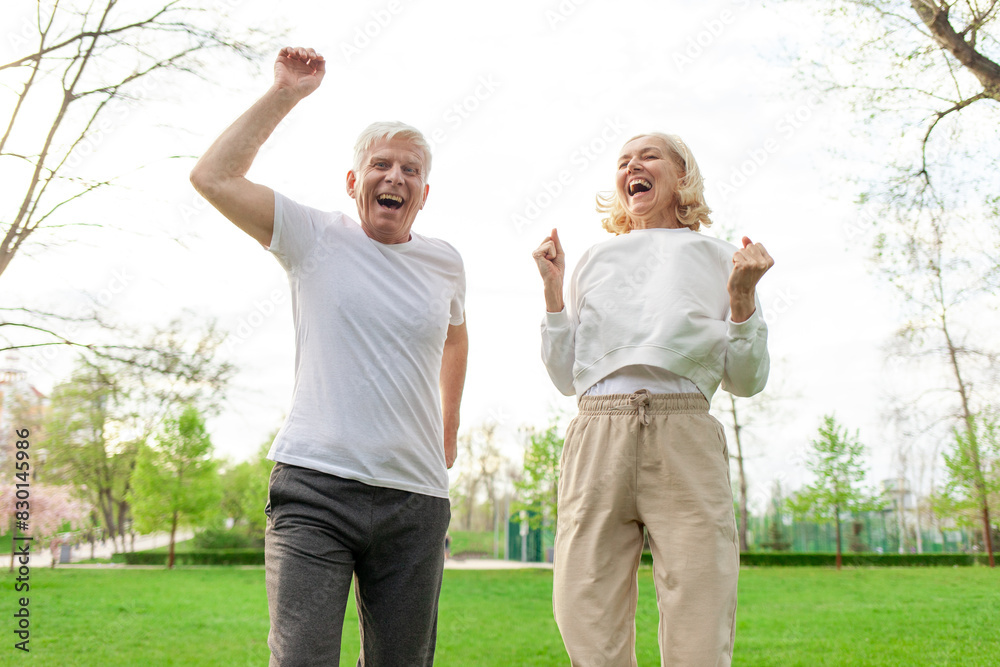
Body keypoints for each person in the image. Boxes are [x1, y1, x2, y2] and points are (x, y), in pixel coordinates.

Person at [190, 47, 468, 666]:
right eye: (381, 165)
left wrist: (448, 427)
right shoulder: (314, 236)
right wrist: (285, 93)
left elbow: (455, 335)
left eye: (410, 170)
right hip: (316, 488)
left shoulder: (445, 262)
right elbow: (213, 178)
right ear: (353, 182)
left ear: (424, 193)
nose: (395, 177)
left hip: (415, 498)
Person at [532, 132, 773, 666]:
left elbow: (748, 378)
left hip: (683, 432)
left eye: (648, 156)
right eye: (623, 161)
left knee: (701, 609)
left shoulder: (720, 258)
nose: (632, 166)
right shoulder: (594, 259)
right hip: (598, 431)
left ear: (682, 176)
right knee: (582, 602)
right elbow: (566, 376)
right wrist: (553, 294)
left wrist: (741, 299)